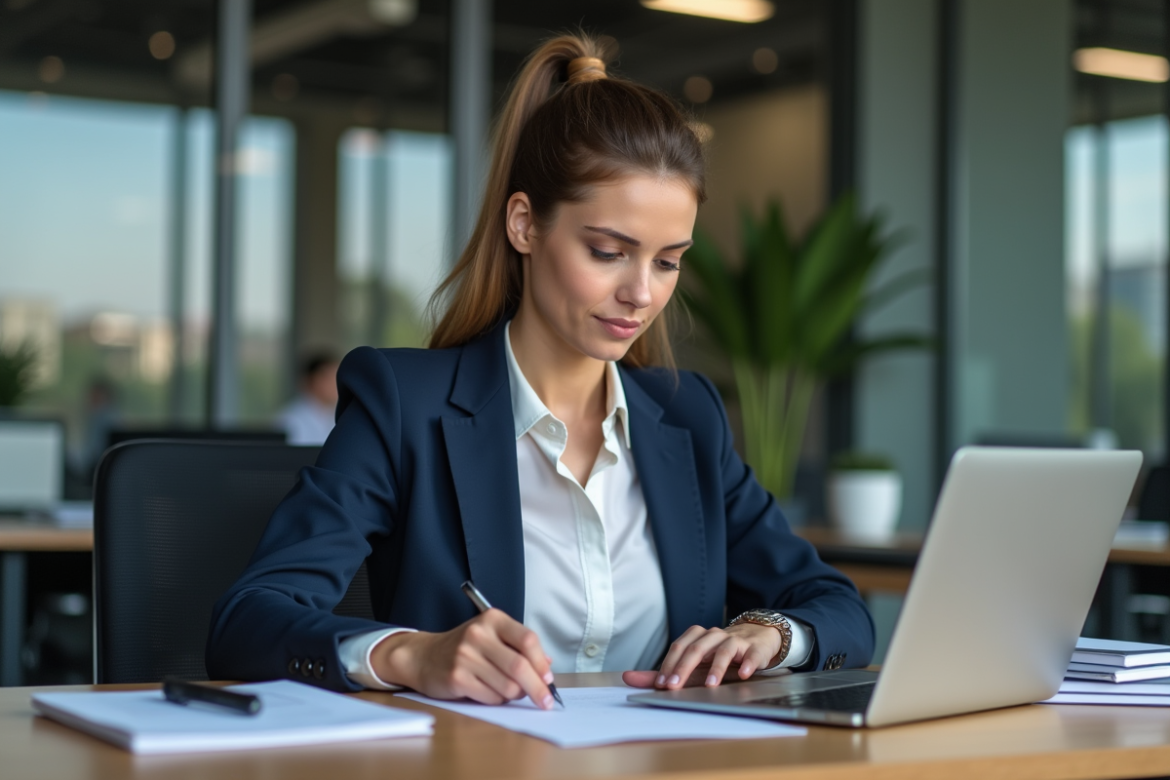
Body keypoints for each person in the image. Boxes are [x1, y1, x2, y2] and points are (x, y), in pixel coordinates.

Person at [208, 34, 873, 709]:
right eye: (609, 251)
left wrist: (770, 635)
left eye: (668, 261)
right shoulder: (404, 403)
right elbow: (249, 622)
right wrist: (410, 652)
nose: (642, 294)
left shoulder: (686, 416)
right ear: (524, 225)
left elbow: (837, 607)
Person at [277, 353, 340, 445]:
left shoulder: (335, 416)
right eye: (330, 378)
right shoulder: (289, 420)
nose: (336, 384)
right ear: (312, 380)